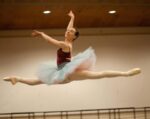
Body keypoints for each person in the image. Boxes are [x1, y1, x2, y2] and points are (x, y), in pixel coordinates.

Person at [3, 10, 141, 86]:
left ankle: (126, 73)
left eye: (70, 32)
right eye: (69, 31)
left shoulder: (65, 45)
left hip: (67, 72)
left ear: (73, 37)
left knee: (99, 74)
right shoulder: (69, 41)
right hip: (61, 72)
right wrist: (72, 18)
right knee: (38, 81)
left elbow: (51, 41)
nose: (68, 31)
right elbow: (68, 28)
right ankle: (17, 78)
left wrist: (41, 34)